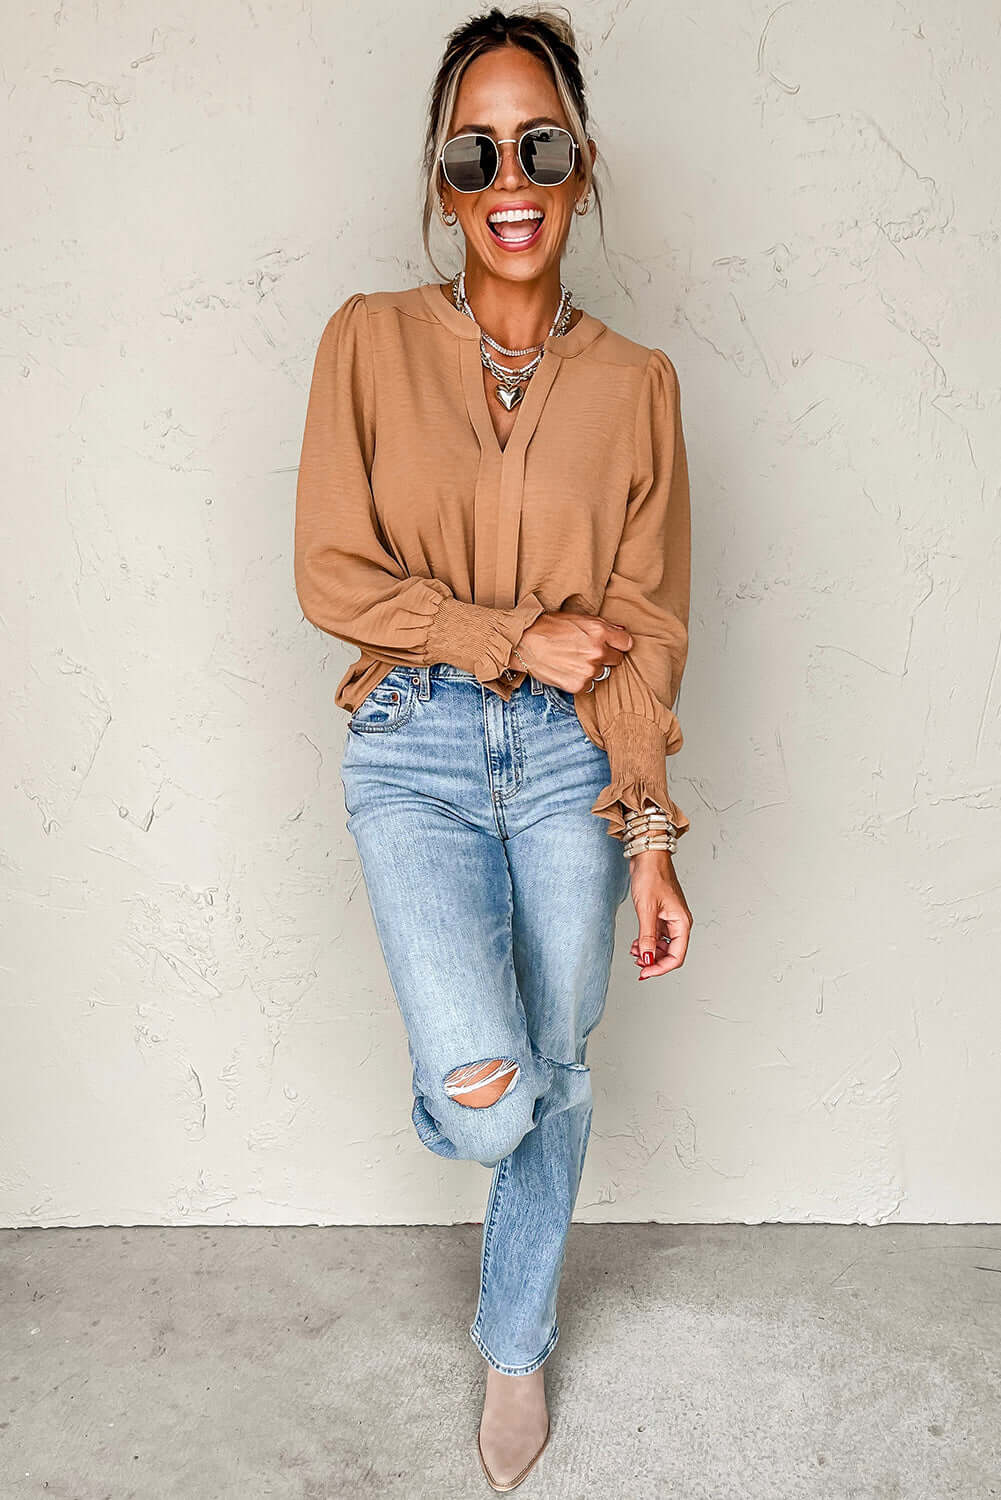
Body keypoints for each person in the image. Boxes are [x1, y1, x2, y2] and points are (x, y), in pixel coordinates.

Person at [294, 6, 694, 1490]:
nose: (507, 175)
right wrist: (505, 637)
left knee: (565, 1056)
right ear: (441, 176)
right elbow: (333, 573)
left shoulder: (637, 383)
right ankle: (485, 1101)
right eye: (475, 150)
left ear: (581, 164)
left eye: (538, 144)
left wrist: (649, 837)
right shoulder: (366, 341)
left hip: (578, 767)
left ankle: (513, 1344)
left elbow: (645, 628)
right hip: (412, 747)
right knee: (495, 1099)